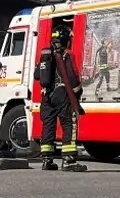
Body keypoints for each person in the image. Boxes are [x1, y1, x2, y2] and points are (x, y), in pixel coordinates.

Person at [36, 23, 86, 172]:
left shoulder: (46, 54)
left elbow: (37, 75)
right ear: (66, 39)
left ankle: (47, 160)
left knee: (48, 125)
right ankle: (69, 160)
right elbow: (72, 77)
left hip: (46, 94)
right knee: (68, 123)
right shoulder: (67, 54)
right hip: (62, 93)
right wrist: (77, 92)